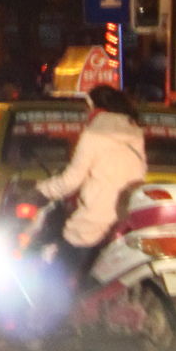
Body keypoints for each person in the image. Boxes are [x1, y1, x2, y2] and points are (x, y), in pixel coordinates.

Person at [38, 84, 148, 287]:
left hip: (94, 222)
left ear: (94, 108)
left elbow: (71, 180)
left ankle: (54, 317)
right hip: (125, 219)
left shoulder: (93, 134)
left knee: (56, 281)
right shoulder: (135, 133)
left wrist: (41, 191)